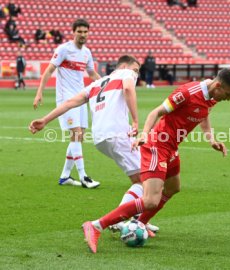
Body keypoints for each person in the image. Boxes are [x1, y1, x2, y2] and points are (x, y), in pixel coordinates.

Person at [78, 68, 230, 253]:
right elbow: (155, 112)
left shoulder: (212, 96)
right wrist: (144, 135)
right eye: (228, 94)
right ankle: (96, 226)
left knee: (173, 187)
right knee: (150, 201)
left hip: (171, 147)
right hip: (157, 145)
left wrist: (211, 138)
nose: (228, 99)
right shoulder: (187, 93)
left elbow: (204, 114)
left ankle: (139, 223)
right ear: (218, 85)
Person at [29, 55, 159, 234]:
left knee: (138, 180)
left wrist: (45, 120)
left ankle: (136, 219)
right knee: (147, 180)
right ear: (124, 66)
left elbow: (69, 103)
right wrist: (136, 121)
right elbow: (129, 88)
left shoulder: (95, 85)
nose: (136, 74)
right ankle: (120, 219)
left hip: (99, 139)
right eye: (136, 70)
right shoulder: (127, 73)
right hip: (118, 133)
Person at [33, 18, 101, 188]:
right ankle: (84, 176)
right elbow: (49, 70)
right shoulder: (63, 49)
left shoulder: (87, 52)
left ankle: (65, 176)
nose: (83, 35)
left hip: (80, 97)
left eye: (85, 32)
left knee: (79, 136)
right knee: (76, 134)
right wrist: (39, 92)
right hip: (65, 98)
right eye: (80, 31)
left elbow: (92, 74)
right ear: (73, 32)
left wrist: (108, 84)